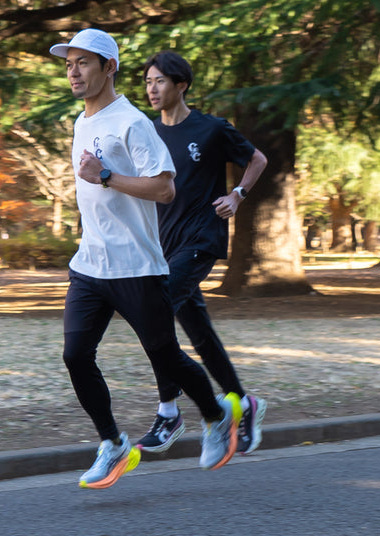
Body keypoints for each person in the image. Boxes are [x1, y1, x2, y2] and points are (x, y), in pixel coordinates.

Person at [49, 28, 242, 490]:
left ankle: (217, 417)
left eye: (84, 63)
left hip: (136, 266)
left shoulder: (132, 122)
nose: (73, 72)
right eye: (68, 64)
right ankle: (113, 444)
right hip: (90, 265)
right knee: (76, 355)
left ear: (109, 68)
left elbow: (164, 187)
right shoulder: (82, 121)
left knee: (166, 356)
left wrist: (108, 175)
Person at [137, 50, 269, 456]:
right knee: (198, 331)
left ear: (181, 85)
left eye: (160, 81)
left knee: (154, 315)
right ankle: (243, 402)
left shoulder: (210, 129)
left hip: (200, 240)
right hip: (163, 244)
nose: (152, 89)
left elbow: (257, 159)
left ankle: (169, 411)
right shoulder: (146, 132)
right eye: (147, 82)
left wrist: (238, 194)